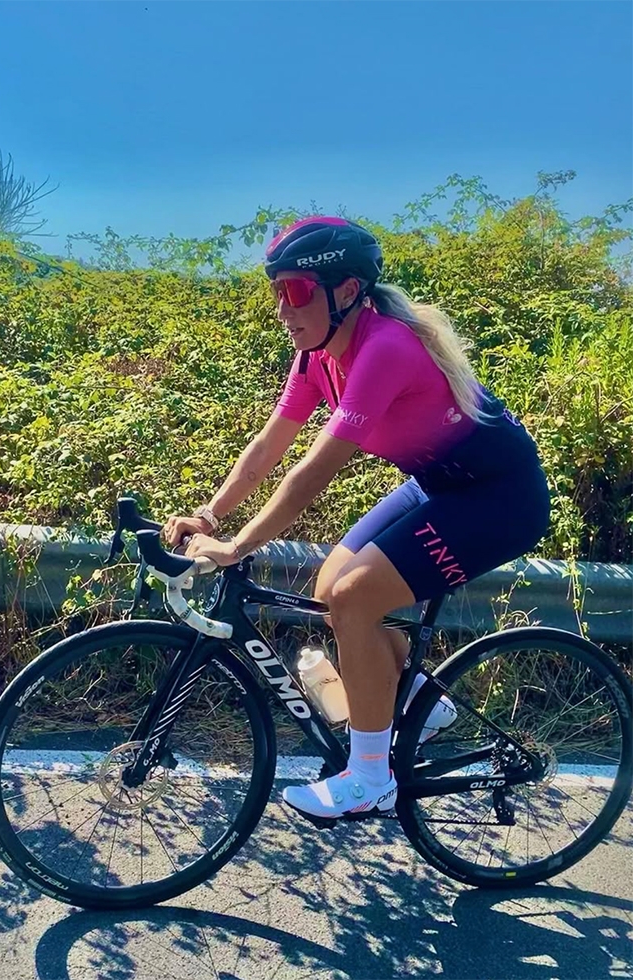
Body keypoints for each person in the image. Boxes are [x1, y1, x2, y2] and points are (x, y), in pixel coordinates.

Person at [163, 216, 550, 822]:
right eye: (276, 292)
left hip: (500, 498)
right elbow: (267, 449)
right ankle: (421, 703)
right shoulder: (315, 358)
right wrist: (210, 514)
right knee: (329, 593)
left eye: (296, 291)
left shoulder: (384, 348)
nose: (283, 310)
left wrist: (236, 547)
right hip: (437, 484)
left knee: (355, 597)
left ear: (346, 291)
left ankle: (370, 777)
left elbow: (311, 474)